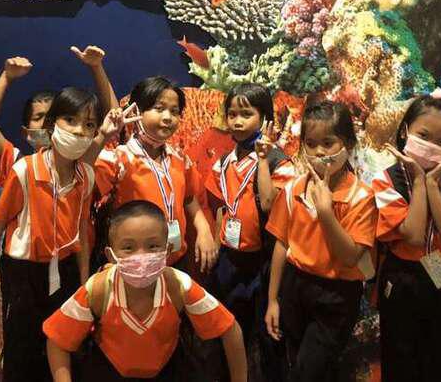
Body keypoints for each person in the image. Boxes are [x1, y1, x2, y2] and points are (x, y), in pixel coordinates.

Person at [0, 87, 120, 382]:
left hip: (66, 271)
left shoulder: (86, 176)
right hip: (24, 275)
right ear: (52, 124)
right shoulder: (25, 171)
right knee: (22, 353)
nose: (79, 131)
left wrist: (84, 286)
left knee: (65, 349)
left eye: (88, 124)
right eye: (70, 120)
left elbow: (82, 235)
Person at [43, 200, 247, 381]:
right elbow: (57, 340)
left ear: (167, 250)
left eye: (153, 246)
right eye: (128, 248)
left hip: (168, 371)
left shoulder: (178, 286)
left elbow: (230, 329)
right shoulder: (98, 289)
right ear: (111, 255)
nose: (141, 256)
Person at [371, 90, 441, 381]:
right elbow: (412, 236)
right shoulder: (385, 179)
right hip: (402, 279)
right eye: (423, 135)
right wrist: (420, 184)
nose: (431, 146)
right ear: (405, 131)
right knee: (400, 363)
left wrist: (433, 186)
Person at [264, 101, 377, 381]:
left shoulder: (361, 197)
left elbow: (350, 256)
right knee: (295, 359)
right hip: (295, 285)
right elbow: (281, 243)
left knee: (310, 371)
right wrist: (272, 300)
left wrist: (326, 212)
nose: (319, 152)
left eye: (328, 143)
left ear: (348, 143)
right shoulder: (293, 189)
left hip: (336, 294)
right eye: (311, 144)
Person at [95, 76, 219, 274]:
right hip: (135, 265)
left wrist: (204, 230)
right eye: (159, 109)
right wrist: (103, 136)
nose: (168, 117)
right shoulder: (118, 159)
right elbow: (80, 179)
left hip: (175, 260)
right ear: (137, 112)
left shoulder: (179, 158)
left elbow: (189, 198)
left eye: (175, 111)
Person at [205, 84, 284, 378]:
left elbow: (269, 204)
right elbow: (221, 206)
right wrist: (216, 245)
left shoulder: (278, 161)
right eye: (232, 114)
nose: (237, 121)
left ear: (265, 119)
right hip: (230, 258)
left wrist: (263, 160)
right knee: (228, 326)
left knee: (267, 336)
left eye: (246, 114)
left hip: (263, 262)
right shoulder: (224, 161)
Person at [0, 46, 118, 189]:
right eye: (38, 117)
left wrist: (96, 67)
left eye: (54, 117)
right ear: (25, 132)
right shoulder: (17, 163)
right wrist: (7, 76)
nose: (46, 123)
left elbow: (115, 118)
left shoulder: (87, 160)